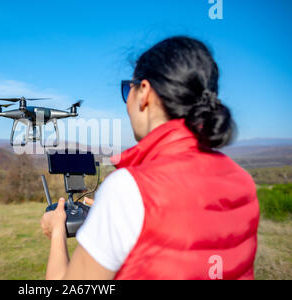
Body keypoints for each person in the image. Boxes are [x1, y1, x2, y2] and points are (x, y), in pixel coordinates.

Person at [40, 36, 260, 280]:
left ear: (144, 92)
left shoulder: (127, 189)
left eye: (128, 89)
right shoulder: (243, 181)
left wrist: (57, 230)